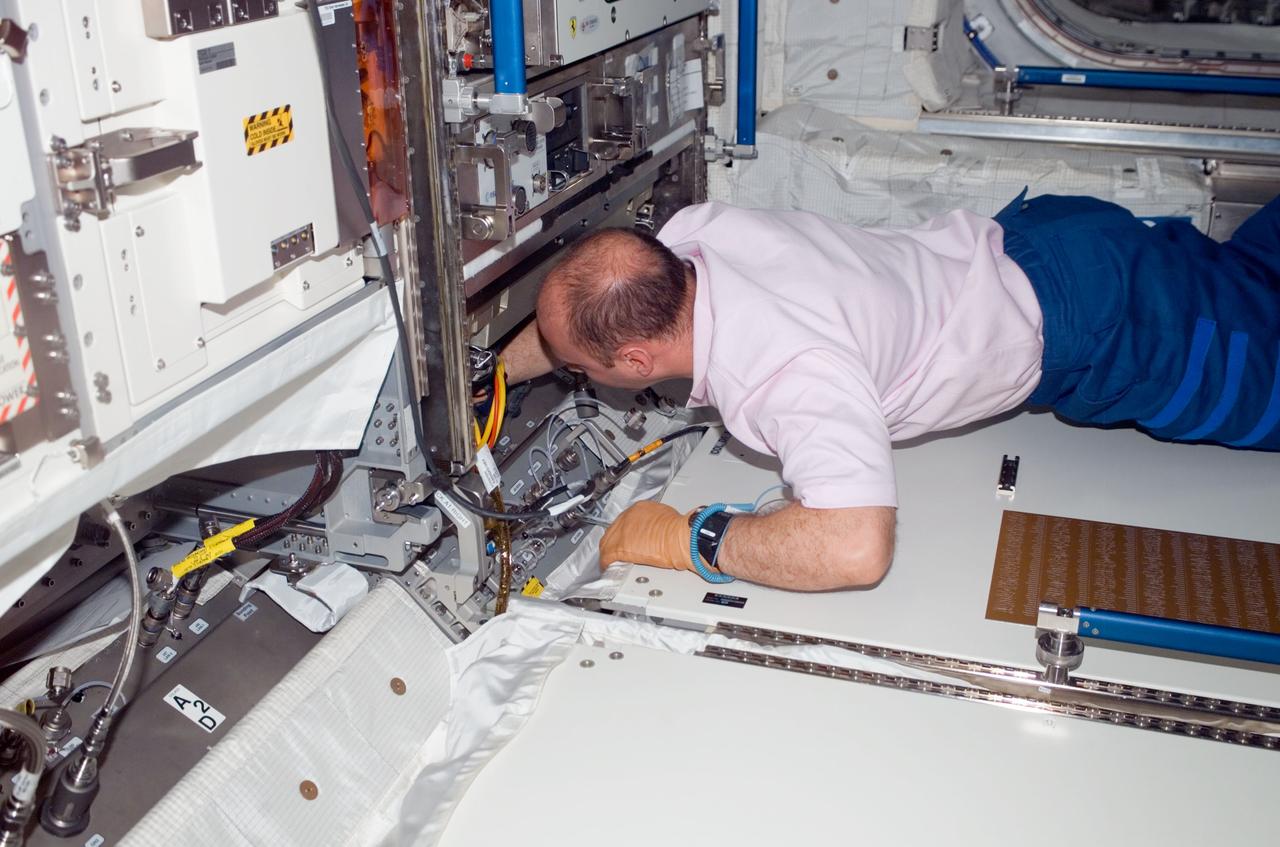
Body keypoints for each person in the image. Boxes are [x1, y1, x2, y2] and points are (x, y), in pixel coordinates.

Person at [496, 193, 1280, 591]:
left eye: (585, 369)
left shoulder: (787, 373)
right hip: (1048, 240)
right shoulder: (694, 238)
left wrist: (693, 538)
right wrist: (496, 375)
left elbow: (856, 547)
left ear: (637, 361)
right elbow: (587, 302)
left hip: (1118, 325)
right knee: (1249, 278)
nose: (579, 375)